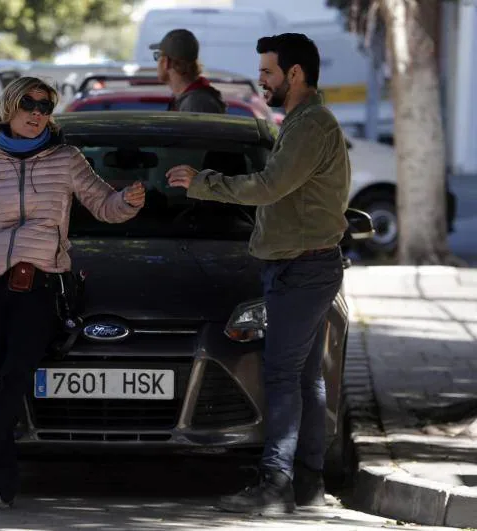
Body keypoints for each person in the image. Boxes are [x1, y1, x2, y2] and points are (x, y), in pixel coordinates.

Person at [0, 76, 145, 511]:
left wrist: (129, 200)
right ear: (9, 107)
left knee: (13, 379)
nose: (37, 113)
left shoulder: (66, 159)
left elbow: (103, 204)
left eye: (45, 106)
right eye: (28, 104)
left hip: (40, 287)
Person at [166, 33, 351, 515]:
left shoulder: (310, 126)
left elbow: (268, 186)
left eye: (268, 72)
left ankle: (275, 486)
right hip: (301, 266)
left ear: (294, 74)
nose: (262, 80)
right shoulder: (302, 122)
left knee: (284, 377)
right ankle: (307, 485)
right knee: (305, 379)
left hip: (302, 270)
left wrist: (203, 183)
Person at [149, 28, 226, 113]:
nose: (157, 62)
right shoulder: (193, 100)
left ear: (166, 62)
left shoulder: (195, 104)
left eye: (158, 56)